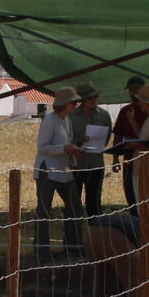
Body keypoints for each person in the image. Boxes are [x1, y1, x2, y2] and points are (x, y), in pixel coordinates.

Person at [32, 90, 85, 253]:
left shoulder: (66, 119)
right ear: (64, 104)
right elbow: (43, 146)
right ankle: (42, 249)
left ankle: (73, 246)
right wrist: (65, 148)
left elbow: (65, 143)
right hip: (47, 169)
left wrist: (74, 147)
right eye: (73, 102)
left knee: (75, 207)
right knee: (44, 210)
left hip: (63, 169)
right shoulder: (50, 120)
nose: (76, 105)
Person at [110, 75, 149, 207]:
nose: (133, 93)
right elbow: (138, 137)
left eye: (136, 90)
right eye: (131, 90)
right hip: (134, 160)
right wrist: (132, 122)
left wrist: (141, 146)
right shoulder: (130, 112)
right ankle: (141, 223)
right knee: (136, 196)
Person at [64, 82, 112, 225]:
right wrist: (78, 140)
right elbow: (65, 139)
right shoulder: (71, 116)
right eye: (90, 97)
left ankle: (96, 235)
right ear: (82, 100)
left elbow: (107, 136)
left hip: (96, 163)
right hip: (76, 165)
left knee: (94, 201)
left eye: (95, 96)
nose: (93, 100)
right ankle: (73, 236)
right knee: (74, 202)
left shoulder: (104, 115)